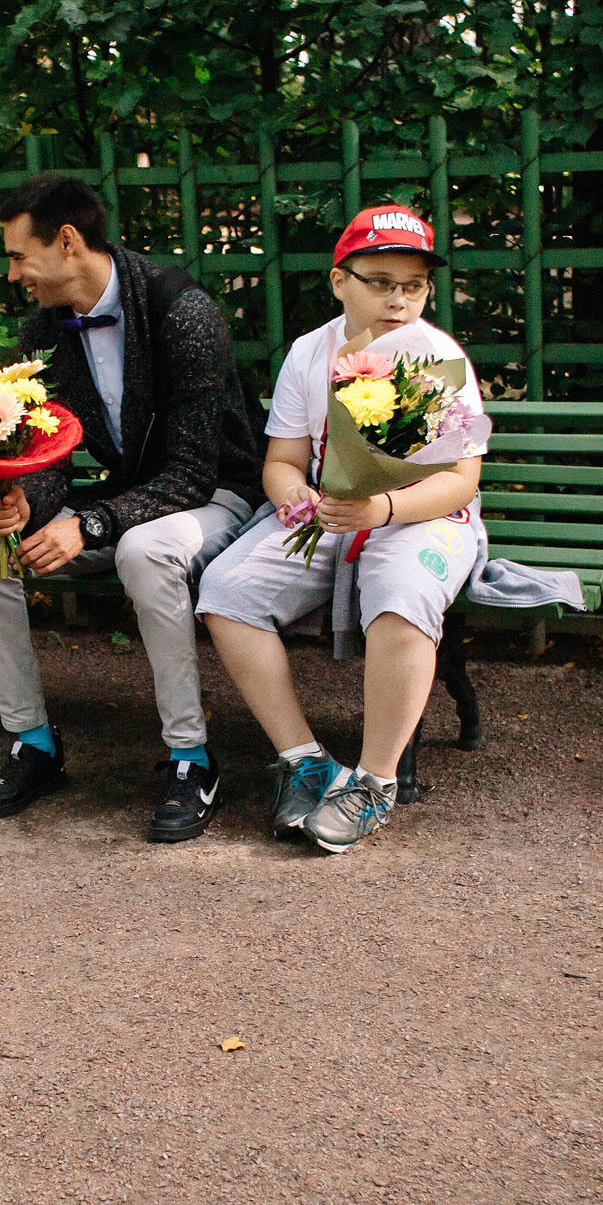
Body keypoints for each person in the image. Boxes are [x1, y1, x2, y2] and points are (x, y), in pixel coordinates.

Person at [0, 174, 265, 842]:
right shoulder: (42, 330)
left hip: (217, 493)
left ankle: (191, 759)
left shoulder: (182, 311)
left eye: (18, 256)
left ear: (67, 242)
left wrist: (89, 524)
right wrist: (18, 503)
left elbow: (190, 474)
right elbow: (53, 458)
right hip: (130, 497)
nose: (12, 274)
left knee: (144, 549)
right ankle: (33, 743)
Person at [195, 205, 488, 853]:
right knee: (226, 591)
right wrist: (293, 495)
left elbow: (461, 480)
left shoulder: (438, 357)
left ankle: (373, 785)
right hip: (333, 513)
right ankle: (305, 761)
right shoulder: (310, 351)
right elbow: (282, 461)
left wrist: (382, 510)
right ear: (339, 281)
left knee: (400, 594)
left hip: (421, 514)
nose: (398, 300)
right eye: (379, 282)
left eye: (413, 286)